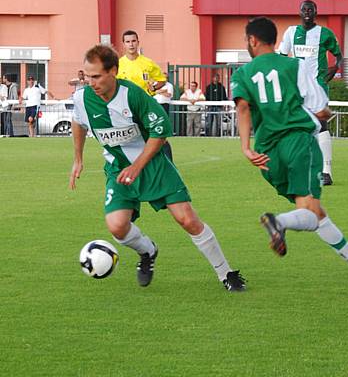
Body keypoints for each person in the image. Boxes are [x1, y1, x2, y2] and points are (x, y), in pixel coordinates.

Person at [69, 44, 245, 291]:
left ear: (114, 72)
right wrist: (78, 158)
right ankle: (148, 252)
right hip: (117, 167)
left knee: (187, 219)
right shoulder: (82, 99)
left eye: (96, 76)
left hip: (152, 163)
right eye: (87, 77)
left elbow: (159, 132)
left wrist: (138, 166)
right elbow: (78, 122)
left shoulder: (133, 95)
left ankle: (226, 274)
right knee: (117, 227)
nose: (91, 82)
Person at [233, 17, 348, 280]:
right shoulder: (294, 65)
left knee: (313, 211)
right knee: (308, 211)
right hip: (298, 144)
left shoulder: (242, 73)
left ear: (252, 40)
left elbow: (242, 108)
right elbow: (320, 106)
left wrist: (246, 148)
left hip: (266, 154)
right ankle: (279, 222)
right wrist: (321, 112)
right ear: (273, 40)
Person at [279, 0, 342, 186]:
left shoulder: (324, 33)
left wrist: (335, 68)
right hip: (297, 87)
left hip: (318, 87)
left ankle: (326, 171)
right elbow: (282, 58)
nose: (307, 12)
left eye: (310, 10)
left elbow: (339, 55)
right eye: (304, 9)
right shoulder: (291, 32)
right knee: (296, 127)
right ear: (299, 12)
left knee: (321, 125)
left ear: (316, 12)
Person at [117, 30, 173, 160]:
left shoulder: (147, 62)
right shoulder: (118, 64)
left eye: (133, 41)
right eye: (128, 42)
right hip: (126, 107)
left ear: (138, 42)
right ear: (123, 44)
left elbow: (161, 79)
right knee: (127, 139)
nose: (131, 44)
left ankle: (169, 165)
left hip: (145, 106)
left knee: (159, 136)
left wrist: (153, 87)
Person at [153, 72, 175, 159]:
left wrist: (159, 92)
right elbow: (152, 92)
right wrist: (162, 91)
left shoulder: (169, 85)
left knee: (162, 124)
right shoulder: (155, 84)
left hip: (164, 104)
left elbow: (169, 94)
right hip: (155, 105)